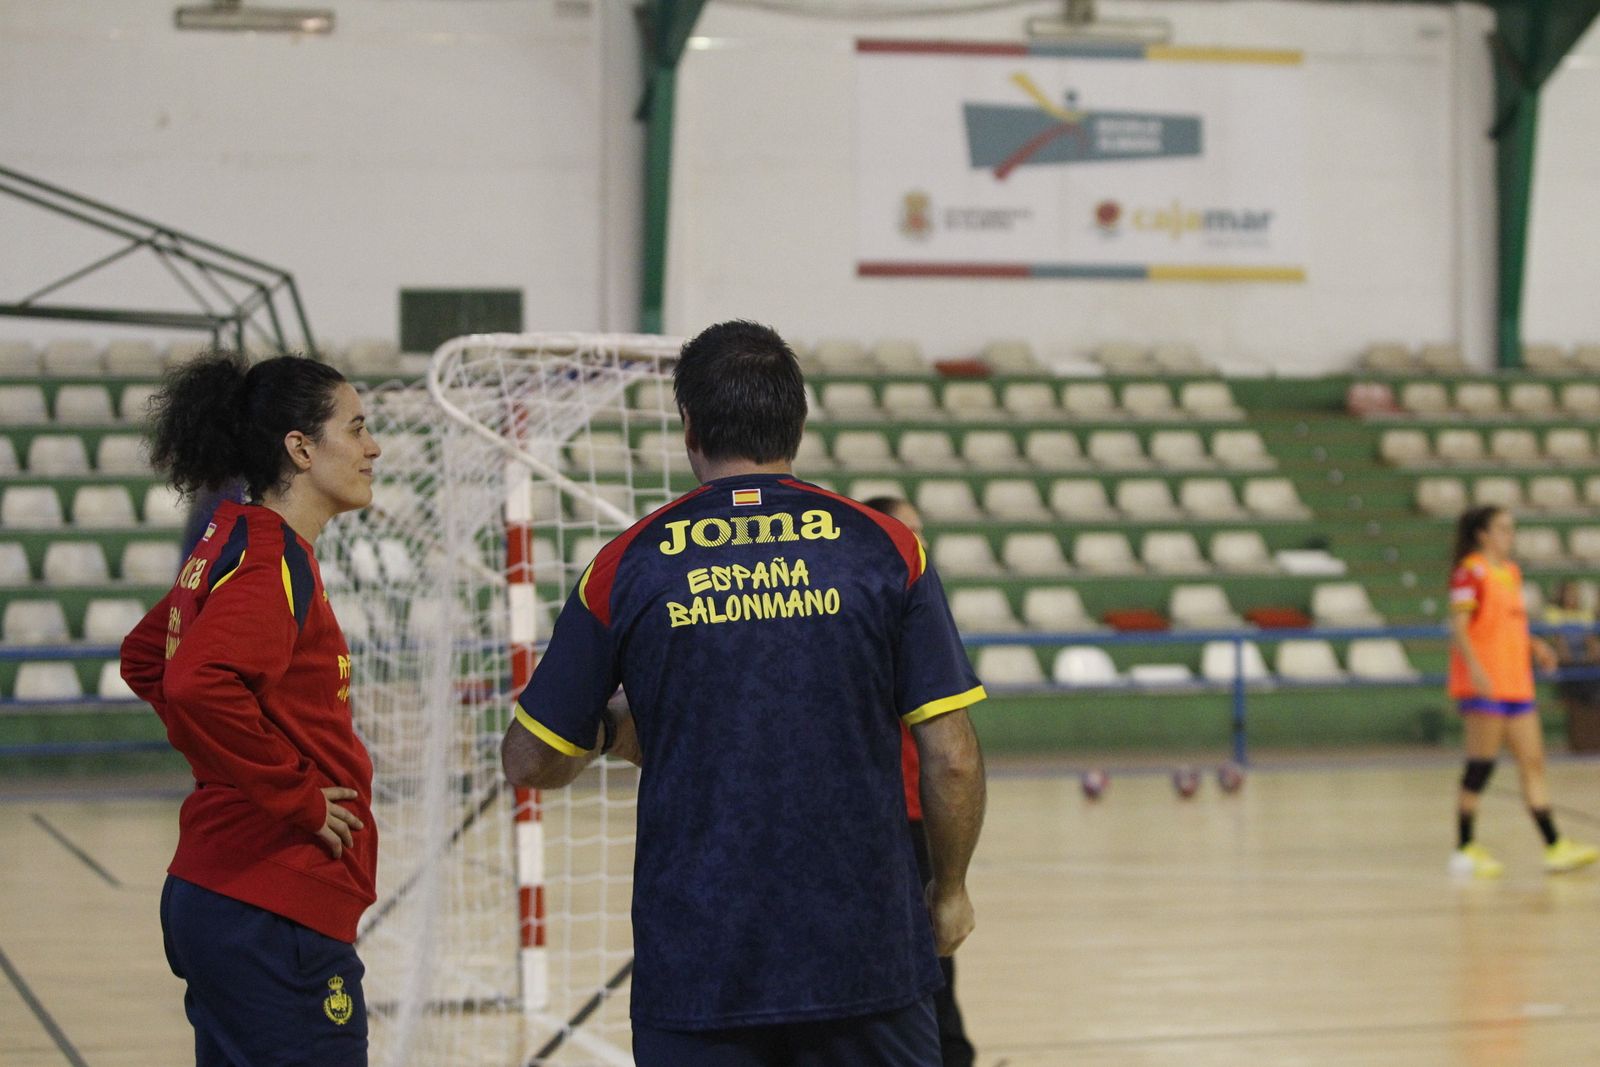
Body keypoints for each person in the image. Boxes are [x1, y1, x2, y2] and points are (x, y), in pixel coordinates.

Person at [501, 320, 987, 1067]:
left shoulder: (626, 565)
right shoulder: (887, 549)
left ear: (688, 425)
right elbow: (950, 757)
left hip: (698, 969)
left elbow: (530, 757)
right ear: (797, 419)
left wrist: (611, 731)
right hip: (866, 959)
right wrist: (950, 889)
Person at [120, 352, 382, 1066]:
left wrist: (227, 763)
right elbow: (195, 682)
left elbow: (150, 658)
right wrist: (290, 792)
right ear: (300, 447)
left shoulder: (232, 539)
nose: (372, 447)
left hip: (225, 894)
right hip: (272, 905)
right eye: (356, 429)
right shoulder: (270, 562)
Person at [864, 496, 976, 1067]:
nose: (917, 542)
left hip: (919, 812)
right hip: (879, 815)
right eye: (907, 530)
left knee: (935, 958)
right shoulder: (866, 617)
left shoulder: (914, 610)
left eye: (921, 532)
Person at [1446, 506, 1598, 878]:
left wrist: (1535, 646)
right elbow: (1461, 628)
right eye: (1502, 529)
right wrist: (1477, 670)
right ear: (1483, 534)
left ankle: (1554, 845)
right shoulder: (1471, 572)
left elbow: (1508, 622)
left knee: (1533, 762)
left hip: (1516, 682)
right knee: (1481, 764)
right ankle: (1465, 847)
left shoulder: (1510, 573)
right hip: (1486, 684)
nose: (1509, 536)